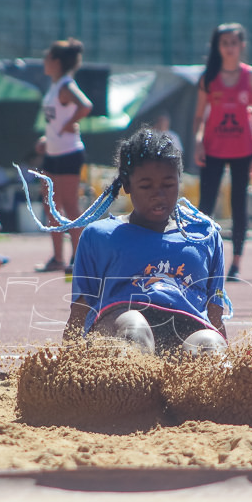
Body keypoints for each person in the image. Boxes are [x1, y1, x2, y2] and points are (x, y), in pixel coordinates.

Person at [62, 127, 228, 357]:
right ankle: (132, 387)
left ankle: (192, 388)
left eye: (168, 185)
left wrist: (226, 356)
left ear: (180, 181)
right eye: (146, 186)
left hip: (187, 331)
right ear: (127, 186)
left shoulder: (205, 236)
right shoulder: (99, 236)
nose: (158, 195)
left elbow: (215, 314)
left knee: (209, 344)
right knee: (135, 328)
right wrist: (65, 360)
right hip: (122, 322)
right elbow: (80, 309)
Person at [191, 22, 252, 280]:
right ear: (218, 47)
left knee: (238, 205)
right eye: (225, 43)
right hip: (214, 148)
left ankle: (236, 263)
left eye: (234, 43)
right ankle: (199, 258)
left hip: (243, 149)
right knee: (206, 205)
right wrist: (198, 142)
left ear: (242, 46)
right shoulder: (209, 78)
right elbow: (199, 116)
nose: (229, 48)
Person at [35, 38, 92, 272]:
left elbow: (85, 105)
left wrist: (70, 123)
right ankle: (57, 257)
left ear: (57, 62)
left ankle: (79, 257)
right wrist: (48, 138)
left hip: (69, 152)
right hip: (52, 152)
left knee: (69, 205)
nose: (44, 62)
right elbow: (55, 118)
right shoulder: (55, 85)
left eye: (47, 57)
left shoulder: (66, 85)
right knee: (50, 205)